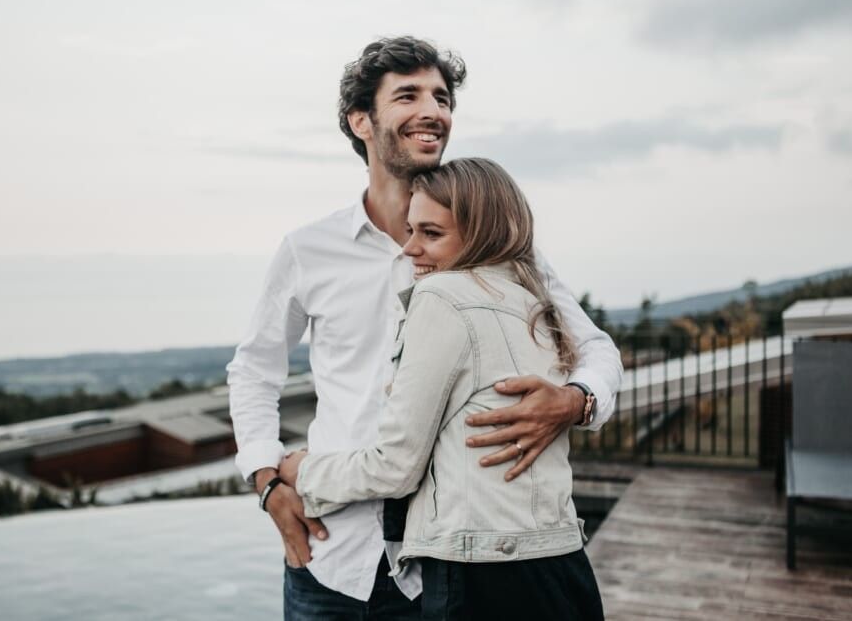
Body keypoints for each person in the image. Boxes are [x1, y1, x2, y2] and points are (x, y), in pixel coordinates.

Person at [226, 36, 622, 619]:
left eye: (441, 97)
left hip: (445, 570)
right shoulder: (308, 250)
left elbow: (594, 347)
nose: (433, 110)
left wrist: (575, 401)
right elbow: (254, 371)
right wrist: (267, 482)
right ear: (361, 120)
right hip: (329, 554)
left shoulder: (501, 250)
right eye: (408, 95)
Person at [278, 157, 605, 620]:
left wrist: (302, 472)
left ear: (482, 234)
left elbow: (396, 467)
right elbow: (599, 350)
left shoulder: (440, 296)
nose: (410, 250)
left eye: (431, 234)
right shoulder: (534, 301)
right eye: (411, 230)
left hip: (481, 574)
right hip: (562, 563)